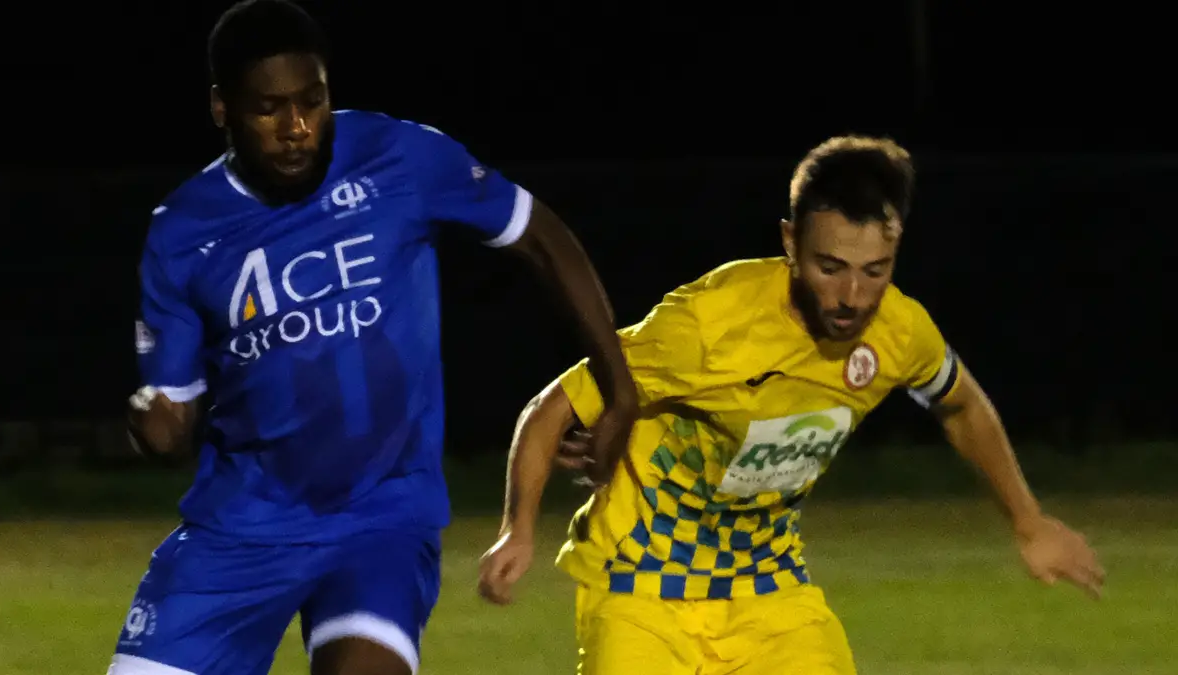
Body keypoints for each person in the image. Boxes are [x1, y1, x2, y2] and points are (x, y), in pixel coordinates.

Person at [110, 1, 638, 674]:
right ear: (222, 108)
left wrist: (619, 386)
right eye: (269, 109)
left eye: (313, 101)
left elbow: (539, 236)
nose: (297, 128)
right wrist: (152, 426)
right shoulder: (183, 231)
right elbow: (171, 417)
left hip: (382, 518)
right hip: (242, 526)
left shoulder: (398, 156)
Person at [477, 135, 1105, 674]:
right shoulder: (709, 325)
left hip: (769, 589)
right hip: (640, 585)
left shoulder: (900, 331)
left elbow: (960, 403)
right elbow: (553, 406)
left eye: (876, 270)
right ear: (790, 242)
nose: (853, 296)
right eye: (830, 267)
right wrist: (517, 530)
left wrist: (1028, 521)